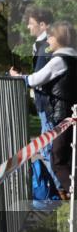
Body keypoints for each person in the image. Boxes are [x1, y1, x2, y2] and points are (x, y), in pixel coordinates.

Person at [11, 21, 76, 200]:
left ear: (59, 38)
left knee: (58, 160)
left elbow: (35, 80)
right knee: (68, 157)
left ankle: (72, 196)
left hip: (63, 115)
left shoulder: (59, 60)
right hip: (70, 113)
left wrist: (17, 77)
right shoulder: (73, 57)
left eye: (51, 36)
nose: (48, 40)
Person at [20, 7, 61, 199]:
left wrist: (22, 78)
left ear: (43, 25)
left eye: (31, 23)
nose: (28, 27)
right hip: (46, 104)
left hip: (48, 105)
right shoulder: (42, 46)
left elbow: (40, 77)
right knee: (48, 149)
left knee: (48, 149)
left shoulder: (46, 46)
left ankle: (61, 193)